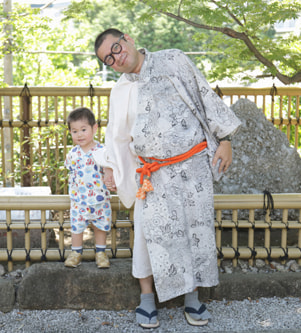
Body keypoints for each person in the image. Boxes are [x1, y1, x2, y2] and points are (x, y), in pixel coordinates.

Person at [92, 28, 241, 328]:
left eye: (116, 48)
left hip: (192, 166)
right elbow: (116, 136)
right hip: (152, 174)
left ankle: (192, 299)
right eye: (108, 59)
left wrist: (225, 139)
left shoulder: (174, 60)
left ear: (129, 39)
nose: (116, 58)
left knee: (195, 231)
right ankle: (147, 299)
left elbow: (204, 96)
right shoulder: (121, 90)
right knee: (149, 236)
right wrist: (110, 167)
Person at [64, 107, 112, 269]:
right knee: (77, 227)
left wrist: (110, 178)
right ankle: (76, 253)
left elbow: (108, 170)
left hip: (99, 197)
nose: (79, 134)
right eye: (74, 131)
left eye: (84, 130)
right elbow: (71, 172)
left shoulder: (102, 151)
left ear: (95, 128)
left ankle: (101, 253)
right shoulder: (72, 154)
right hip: (79, 199)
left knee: (100, 226)